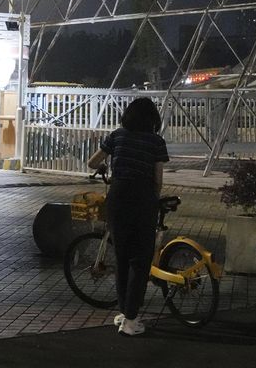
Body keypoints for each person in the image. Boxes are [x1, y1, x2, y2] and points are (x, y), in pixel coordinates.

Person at [87, 97, 169, 336]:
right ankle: (131, 320)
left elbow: (92, 162)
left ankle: (124, 313)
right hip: (142, 198)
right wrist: (152, 199)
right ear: (153, 119)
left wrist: (106, 169)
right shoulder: (156, 142)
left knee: (122, 257)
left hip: (118, 197)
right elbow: (158, 180)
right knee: (140, 259)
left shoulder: (117, 136)